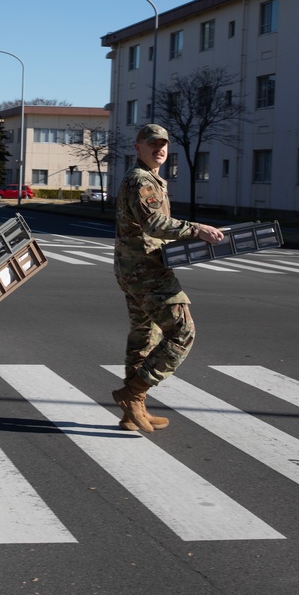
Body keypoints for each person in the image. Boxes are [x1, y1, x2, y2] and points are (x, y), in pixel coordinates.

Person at [112, 123, 225, 433]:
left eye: (163, 144)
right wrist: (195, 229)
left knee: (144, 336)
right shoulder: (140, 180)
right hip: (146, 272)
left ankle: (133, 411)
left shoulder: (149, 178)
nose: (159, 149)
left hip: (133, 269)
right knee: (183, 331)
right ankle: (132, 393)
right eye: (152, 144)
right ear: (138, 148)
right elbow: (154, 223)